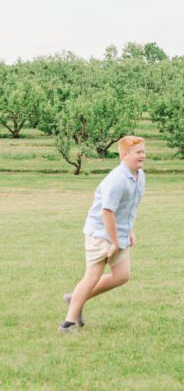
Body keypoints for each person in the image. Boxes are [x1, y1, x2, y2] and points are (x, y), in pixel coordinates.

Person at [59, 135, 146, 333]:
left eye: (143, 151)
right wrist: (114, 242)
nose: (142, 156)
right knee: (92, 276)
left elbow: (129, 207)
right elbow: (107, 211)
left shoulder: (139, 176)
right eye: (138, 152)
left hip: (119, 232)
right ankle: (68, 323)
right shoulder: (117, 179)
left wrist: (129, 230)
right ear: (124, 155)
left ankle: (75, 298)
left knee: (122, 276)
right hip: (100, 232)